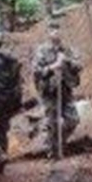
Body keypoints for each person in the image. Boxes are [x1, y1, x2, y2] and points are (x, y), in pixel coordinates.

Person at [30, 23, 81, 158]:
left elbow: (79, 66)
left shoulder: (67, 50)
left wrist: (67, 61)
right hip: (49, 91)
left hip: (66, 90)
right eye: (53, 30)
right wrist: (53, 66)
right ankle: (52, 152)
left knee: (73, 119)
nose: (56, 33)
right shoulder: (41, 51)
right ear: (48, 33)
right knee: (52, 123)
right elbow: (36, 71)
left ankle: (57, 143)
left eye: (58, 30)